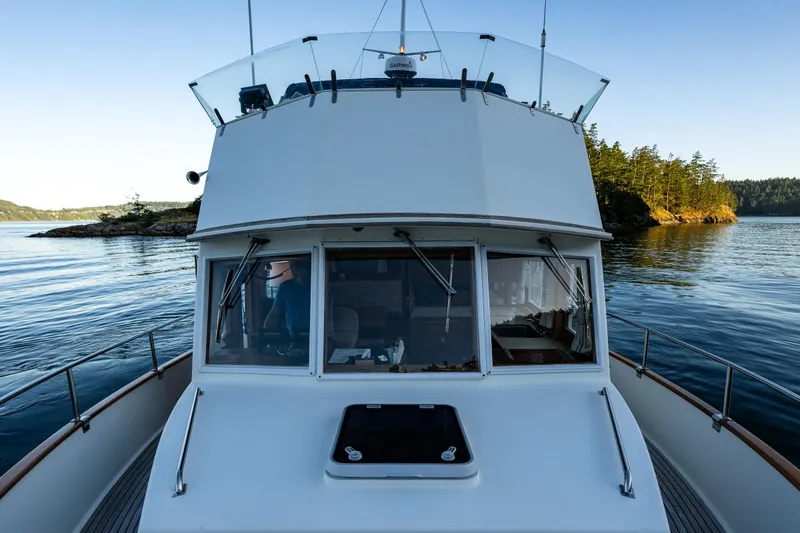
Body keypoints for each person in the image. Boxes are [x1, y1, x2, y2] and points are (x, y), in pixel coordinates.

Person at [263, 259, 311, 339]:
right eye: (296, 268)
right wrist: (265, 336)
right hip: (292, 338)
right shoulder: (285, 287)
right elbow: (274, 314)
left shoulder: (319, 285)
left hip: (316, 338)